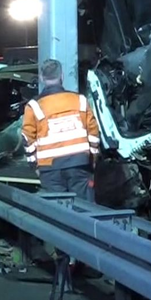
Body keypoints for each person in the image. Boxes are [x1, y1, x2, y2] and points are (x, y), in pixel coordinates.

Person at [21, 59, 100, 201]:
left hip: (50, 169)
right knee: (87, 212)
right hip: (79, 165)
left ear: (41, 78)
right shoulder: (80, 100)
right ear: (62, 76)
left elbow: (28, 139)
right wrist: (92, 159)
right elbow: (93, 133)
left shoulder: (33, 106)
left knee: (58, 214)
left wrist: (35, 165)